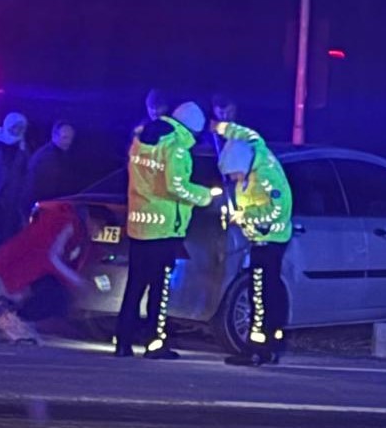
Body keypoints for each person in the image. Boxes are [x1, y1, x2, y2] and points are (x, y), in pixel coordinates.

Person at [115, 101, 218, 359]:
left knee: (135, 286)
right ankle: (154, 343)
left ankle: (123, 342)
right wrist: (206, 195)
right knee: (159, 289)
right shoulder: (176, 148)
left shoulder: (142, 140)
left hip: (140, 225)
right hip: (163, 230)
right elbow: (177, 187)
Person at [214, 121, 293, 366]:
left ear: (242, 165)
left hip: (269, 241)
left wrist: (245, 216)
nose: (234, 179)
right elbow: (249, 133)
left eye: (235, 174)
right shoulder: (253, 150)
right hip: (260, 241)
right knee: (262, 292)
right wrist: (223, 128)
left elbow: (278, 210)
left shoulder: (265, 174)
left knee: (259, 295)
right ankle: (266, 347)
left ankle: (257, 349)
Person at [0, 204, 101, 344]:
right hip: (25, 265)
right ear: (90, 220)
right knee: (57, 297)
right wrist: (75, 281)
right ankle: (15, 317)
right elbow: (50, 256)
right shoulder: (68, 224)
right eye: (99, 225)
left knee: (58, 297)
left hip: (31, 266)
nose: (98, 231)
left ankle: (21, 318)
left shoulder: (77, 230)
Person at [0, 112, 30, 268]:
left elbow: (22, 174)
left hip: (12, 200)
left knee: (7, 234)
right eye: (15, 126)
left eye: (21, 127)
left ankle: (0, 266)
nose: (17, 130)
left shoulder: (22, 148)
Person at [25, 121, 77, 206]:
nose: (69, 142)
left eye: (71, 138)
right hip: (43, 206)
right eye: (65, 138)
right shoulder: (46, 157)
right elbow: (47, 190)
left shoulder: (59, 153)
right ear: (54, 136)